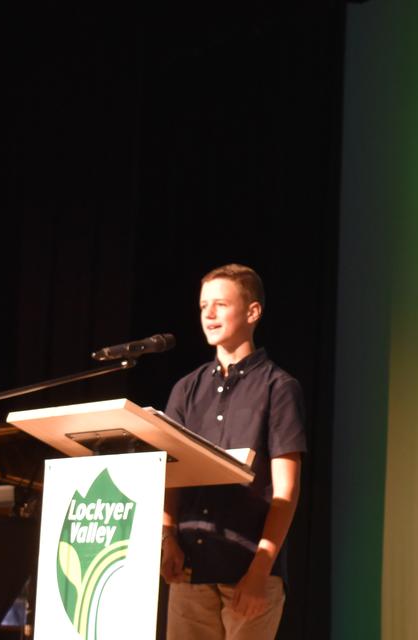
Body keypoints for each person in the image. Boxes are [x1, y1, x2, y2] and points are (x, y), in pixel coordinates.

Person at [160, 264, 306, 640]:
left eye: (220, 304)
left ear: (252, 312)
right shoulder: (185, 389)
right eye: (203, 305)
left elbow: (285, 491)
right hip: (190, 568)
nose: (208, 314)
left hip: (248, 570)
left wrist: (261, 569)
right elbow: (171, 474)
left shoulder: (279, 387)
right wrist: (167, 538)